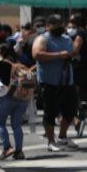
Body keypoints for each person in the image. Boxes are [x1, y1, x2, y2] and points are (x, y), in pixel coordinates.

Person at [31, 14, 80, 153]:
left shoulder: (66, 39)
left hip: (67, 81)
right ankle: (51, 141)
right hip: (49, 82)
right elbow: (37, 54)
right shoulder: (43, 39)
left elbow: (72, 53)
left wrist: (72, 55)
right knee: (50, 112)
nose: (58, 27)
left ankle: (63, 136)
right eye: (55, 24)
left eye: (60, 24)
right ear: (48, 26)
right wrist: (59, 55)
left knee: (71, 110)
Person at [0, 43, 33, 160]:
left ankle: (7, 147)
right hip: (22, 98)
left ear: (0, 52)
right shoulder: (19, 63)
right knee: (17, 125)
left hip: (7, 97)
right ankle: (19, 151)